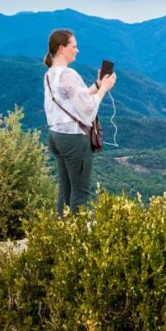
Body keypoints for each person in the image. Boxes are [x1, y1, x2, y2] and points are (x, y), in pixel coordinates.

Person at [43, 29, 116, 216]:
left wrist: (98, 85)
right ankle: (76, 239)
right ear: (61, 49)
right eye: (74, 46)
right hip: (74, 139)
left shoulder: (50, 74)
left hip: (56, 136)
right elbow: (87, 108)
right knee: (80, 191)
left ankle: (60, 233)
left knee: (65, 189)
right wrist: (104, 90)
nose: (77, 50)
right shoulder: (69, 74)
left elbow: (77, 97)